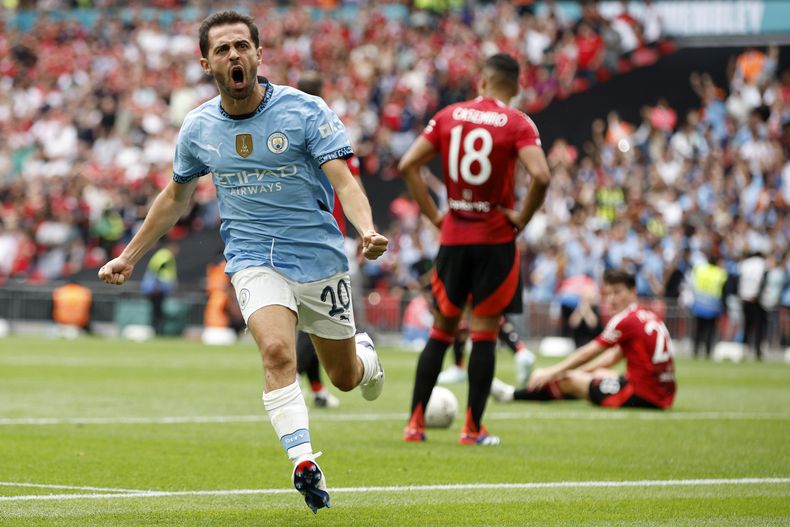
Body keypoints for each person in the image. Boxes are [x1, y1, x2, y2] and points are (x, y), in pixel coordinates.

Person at [98, 11, 388, 514]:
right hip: (253, 258)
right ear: (206, 62)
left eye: (242, 46)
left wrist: (365, 229)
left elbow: (343, 179)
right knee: (277, 351)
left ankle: (367, 361)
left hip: (319, 257)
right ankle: (303, 462)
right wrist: (129, 254)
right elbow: (174, 197)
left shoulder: (305, 110)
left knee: (342, 376)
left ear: (258, 55)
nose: (234, 55)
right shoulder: (198, 127)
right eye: (224, 49)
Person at [398, 53, 551, 445]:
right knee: (484, 334)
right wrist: (522, 218)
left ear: (482, 81)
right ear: (515, 87)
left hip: (453, 238)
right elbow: (541, 176)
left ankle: (415, 424)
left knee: (441, 331)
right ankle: (472, 428)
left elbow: (407, 165)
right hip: (496, 241)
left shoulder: (449, 115)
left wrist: (435, 215)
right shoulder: (518, 123)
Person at [491, 269, 676, 410]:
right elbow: (613, 357)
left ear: (632, 291)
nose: (611, 299)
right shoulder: (648, 315)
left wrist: (553, 372)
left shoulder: (624, 319)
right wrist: (581, 372)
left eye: (617, 292)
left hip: (640, 395)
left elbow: (588, 352)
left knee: (569, 381)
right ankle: (558, 384)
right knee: (598, 374)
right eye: (608, 294)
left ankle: (511, 395)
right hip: (663, 393)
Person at [292, 70, 367, 409]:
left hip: (298, 238)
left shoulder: (288, 130)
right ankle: (312, 384)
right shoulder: (329, 130)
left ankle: (313, 383)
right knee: (311, 319)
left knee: (311, 319)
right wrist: (367, 229)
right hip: (329, 239)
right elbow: (352, 185)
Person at [690, 254, 727, 358]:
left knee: (698, 329)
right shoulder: (720, 273)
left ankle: (696, 350)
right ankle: (708, 351)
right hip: (712, 306)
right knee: (710, 330)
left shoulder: (701, 270)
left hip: (699, 304)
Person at [140, 242, 178, 335]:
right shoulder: (166, 255)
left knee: (156, 309)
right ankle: (157, 330)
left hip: (158, 288)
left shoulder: (162, 254)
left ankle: (156, 330)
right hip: (158, 288)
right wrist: (156, 285)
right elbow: (156, 270)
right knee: (157, 310)